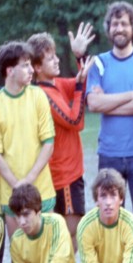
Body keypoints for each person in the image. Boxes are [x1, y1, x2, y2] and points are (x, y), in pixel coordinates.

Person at [85, 0, 133, 263]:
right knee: (111, 223)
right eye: (114, 23)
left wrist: (110, 103)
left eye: (124, 23)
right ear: (108, 28)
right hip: (110, 155)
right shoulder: (99, 63)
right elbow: (94, 104)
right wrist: (130, 96)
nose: (119, 28)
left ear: (132, 27)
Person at [28, 28, 94, 250]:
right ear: (37, 67)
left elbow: (82, 80)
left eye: (56, 55)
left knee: (71, 237)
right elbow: (76, 121)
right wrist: (79, 87)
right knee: (68, 234)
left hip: (71, 172)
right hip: (63, 176)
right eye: (50, 58)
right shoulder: (44, 94)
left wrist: (80, 55)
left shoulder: (55, 84)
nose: (57, 60)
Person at [0, 41, 56, 238]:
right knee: (19, 253)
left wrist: (29, 180)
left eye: (30, 64)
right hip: (11, 194)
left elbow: (48, 143)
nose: (31, 70)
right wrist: (17, 185)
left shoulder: (38, 96)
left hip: (42, 191)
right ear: (10, 71)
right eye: (25, 65)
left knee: (46, 251)